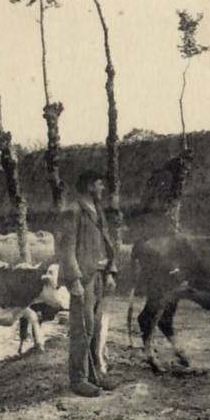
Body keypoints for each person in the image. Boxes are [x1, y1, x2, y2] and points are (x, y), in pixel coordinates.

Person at [58, 169, 119, 397]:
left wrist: (111, 271)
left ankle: (94, 376)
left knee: (94, 328)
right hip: (83, 279)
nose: (102, 188)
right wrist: (73, 280)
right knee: (81, 329)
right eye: (99, 184)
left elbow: (107, 244)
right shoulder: (72, 212)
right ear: (90, 186)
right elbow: (66, 249)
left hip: (99, 277)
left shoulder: (97, 211)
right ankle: (78, 380)